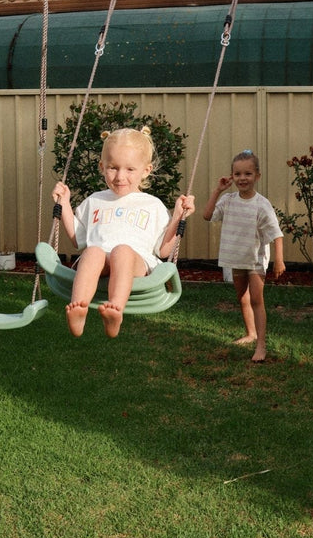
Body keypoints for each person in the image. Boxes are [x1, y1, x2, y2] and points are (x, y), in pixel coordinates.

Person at [52, 126, 195, 338]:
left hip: (136, 262)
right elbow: (78, 239)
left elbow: (164, 251)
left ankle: (115, 309)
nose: (120, 176)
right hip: (100, 262)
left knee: (122, 251)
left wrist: (178, 217)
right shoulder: (95, 200)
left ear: (145, 170)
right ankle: (79, 307)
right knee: (92, 252)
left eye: (130, 169)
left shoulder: (152, 205)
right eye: (113, 168)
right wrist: (64, 203)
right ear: (102, 166)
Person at [202, 149, 285, 363]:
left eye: (247, 174)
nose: (242, 178)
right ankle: (250, 334)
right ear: (232, 176)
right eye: (237, 174)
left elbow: (276, 233)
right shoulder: (228, 200)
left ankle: (261, 345)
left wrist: (280, 260)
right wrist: (217, 191)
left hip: (255, 259)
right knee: (242, 297)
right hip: (235, 256)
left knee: (257, 299)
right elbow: (207, 215)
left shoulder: (261, 204)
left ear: (257, 176)